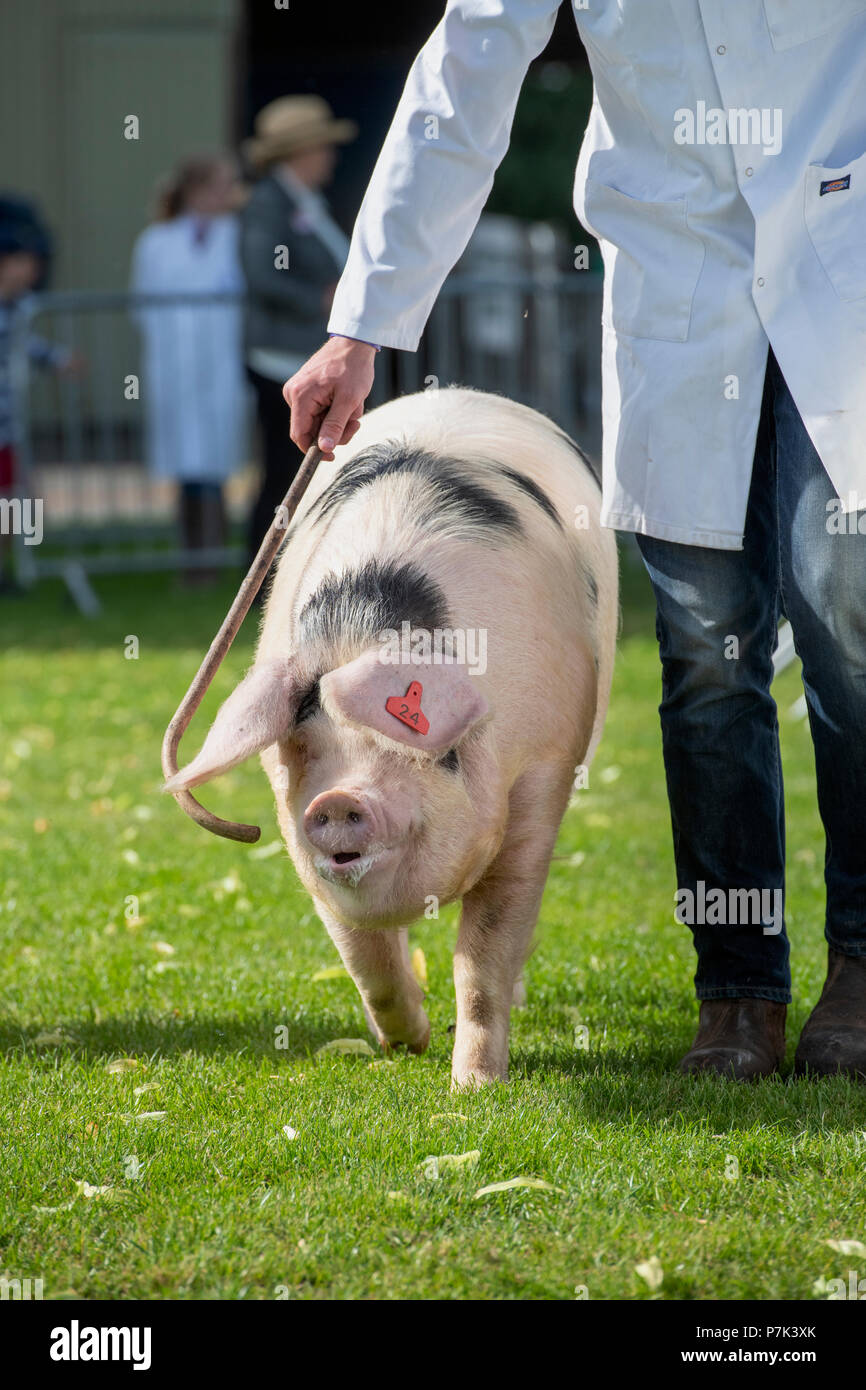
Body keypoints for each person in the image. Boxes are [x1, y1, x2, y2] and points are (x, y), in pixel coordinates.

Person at [284, 2, 866, 1081]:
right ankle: (735, 987)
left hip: (848, 256)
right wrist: (359, 325)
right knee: (703, 654)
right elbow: (462, 78)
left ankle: (860, 967)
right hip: (676, 283)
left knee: (844, 611)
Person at [239, 95, 358, 566]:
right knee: (281, 467)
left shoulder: (306, 200)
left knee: (301, 466)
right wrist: (321, 300)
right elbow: (261, 274)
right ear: (299, 152)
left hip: (304, 355)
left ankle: (293, 561)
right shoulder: (269, 202)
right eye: (322, 146)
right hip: (279, 357)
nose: (329, 156)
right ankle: (263, 563)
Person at [131, 154, 246, 585]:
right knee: (186, 468)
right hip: (175, 368)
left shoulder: (236, 235)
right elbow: (143, 306)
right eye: (221, 185)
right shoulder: (155, 241)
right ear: (196, 190)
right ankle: (189, 562)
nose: (229, 195)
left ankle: (213, 563)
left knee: (215, 467)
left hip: (220, 366)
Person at [0, 196, 77, 594]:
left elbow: (28, 346)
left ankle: (14, 567)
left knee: (19, 502)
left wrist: (60, 360)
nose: (33, 270)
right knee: (17, 502)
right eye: (24, 261)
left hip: (9, 431)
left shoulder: (18, 308)